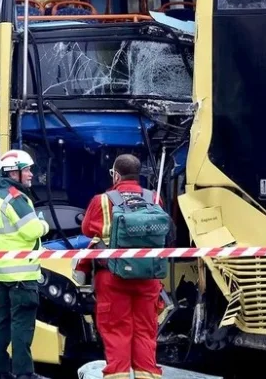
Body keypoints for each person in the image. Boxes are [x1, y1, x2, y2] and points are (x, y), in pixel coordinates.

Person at [80, 154, 168, 379]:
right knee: (146, 332)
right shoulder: (154, 198)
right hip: (149, 278)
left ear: (116, 174)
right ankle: (147, 375)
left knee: (116, 332)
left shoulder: (101, 200)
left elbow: (88, 230)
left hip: (112, 276)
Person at [0, 150, 50, 379]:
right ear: (14, 172)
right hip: (22, 274)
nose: (31, 174)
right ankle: (24, 373)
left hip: (3, 273)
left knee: (2, 322)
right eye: (27, 169)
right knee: (23, 325)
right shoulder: (15, 197)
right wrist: (43, 224)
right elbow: (31, 231)